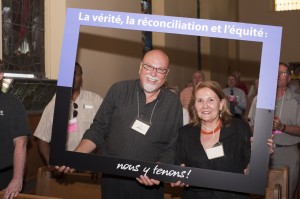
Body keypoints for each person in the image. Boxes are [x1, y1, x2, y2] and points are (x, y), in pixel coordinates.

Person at [56, 49, 183, 199]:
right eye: (149, 67)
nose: (154, 74)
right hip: (113, 182)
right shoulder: (118, 90)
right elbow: (98, 129)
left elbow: (173, 145)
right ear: (140, 67)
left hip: (150, 186)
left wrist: (158, 169)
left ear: (166, 74)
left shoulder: (173, 102)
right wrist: (76, 156)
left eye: (161, 70)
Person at [34, 62, 103, 165]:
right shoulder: (55, 103)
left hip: (90, 166)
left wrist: (99, 162)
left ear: (81, 76)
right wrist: (51, 163)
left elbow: (106, 133)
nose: (73, 77)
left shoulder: (96, 100)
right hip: (65, 167)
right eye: (69, 74)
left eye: (77, 73)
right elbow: (41, 137)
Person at [249, 62, 300, 199]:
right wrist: (261, 129)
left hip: (287, 152)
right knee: (262, 193)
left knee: (285, 193)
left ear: (289, 78)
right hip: (263, 151)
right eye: (275, 73)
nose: (278, 76)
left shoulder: (296, 100)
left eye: (282, 73)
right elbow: (252, 125)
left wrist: (282, 127)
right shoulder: (259, 99)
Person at [0, 60, 31, 199]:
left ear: (0, 75)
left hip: (5, 176)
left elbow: (21, 143)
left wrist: (17, 179)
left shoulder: (12, 104)